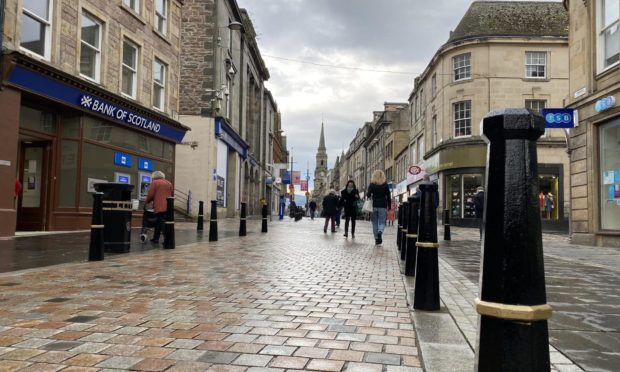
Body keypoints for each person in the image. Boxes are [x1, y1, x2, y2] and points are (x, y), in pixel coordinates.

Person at [145, 170, 173, 244]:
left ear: (154, 176)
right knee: (158, 222)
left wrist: (146, 202)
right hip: (168, 206)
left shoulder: (155, 182)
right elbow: (171, 194)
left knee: (161, 222)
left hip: (160, 206)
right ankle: (155, 238)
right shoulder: (168, 183)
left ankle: (167, 239)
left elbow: (151, 194)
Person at [367, 170, 391, 245]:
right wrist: (389, 206)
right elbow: (388, 196)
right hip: (383, 205)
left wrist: (370, 193)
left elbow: (368, 195)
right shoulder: (385, 185)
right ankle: (380, 231)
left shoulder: (372, 184)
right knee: (382, 221)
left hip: (374, 205)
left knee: (374, 223)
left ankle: (376, 239)